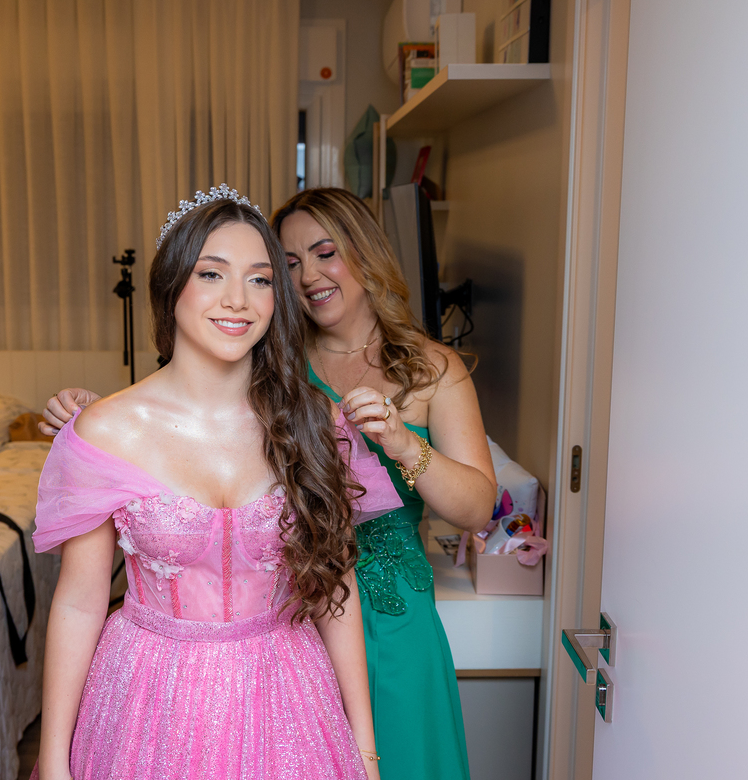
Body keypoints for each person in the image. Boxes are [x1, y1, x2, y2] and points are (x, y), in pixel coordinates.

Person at [41, 187, 495, 780]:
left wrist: (363, 751)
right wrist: (54, 758)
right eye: (212, 273)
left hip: (291, 681)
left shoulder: (312, 419)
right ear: (172, 284)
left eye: (259, 279)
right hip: (151, 697)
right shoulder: (110, 428)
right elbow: (79, 600)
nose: (238, 298)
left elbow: (337, 581)